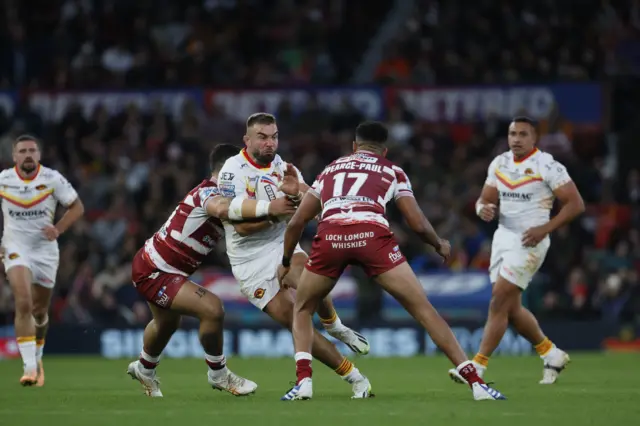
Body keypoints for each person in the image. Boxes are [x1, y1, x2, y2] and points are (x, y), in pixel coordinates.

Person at [277, 121, 506, 401]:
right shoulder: (392, 170)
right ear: (384, 150)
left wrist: (286, 260)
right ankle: (476, 384)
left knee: (302, 309)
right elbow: (416, 223)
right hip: (373, 236)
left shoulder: (331, 168)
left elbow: (298, 221)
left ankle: (304, 383)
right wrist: (438, 243)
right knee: (424, 309)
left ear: (354, 146)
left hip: (332, 236)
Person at [217, 113, 373, 399]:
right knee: (295, 322)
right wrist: (276, 212)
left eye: (274, 136)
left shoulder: (284, 167)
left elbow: (313, 204)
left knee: (309, 282)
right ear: (247, 140)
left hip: (282, 245)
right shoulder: (232, 170)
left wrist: (300, 197)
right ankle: (356, 377)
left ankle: (334, 325)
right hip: (249, 262)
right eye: (262, 137)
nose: (270, 143)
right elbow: (240, 228)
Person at [127, 143, 299, 397]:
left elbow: (245, 225)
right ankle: (219, 374)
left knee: (165, 324)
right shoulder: (208, 193)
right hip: (156, 269)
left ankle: (144, 367)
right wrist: (273, 211)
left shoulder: (234, 196)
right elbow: (221, 209)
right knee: (212, 308)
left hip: (159, 265)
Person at [448, 117, 585, 385]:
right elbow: (484, 199)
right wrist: (481, 209)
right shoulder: (500, 163)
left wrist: (545, 228)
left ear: (535, 138)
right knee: (510, 308)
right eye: (513, 133)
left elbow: (576, 204)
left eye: (523, 134)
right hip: (503, 239)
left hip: (530, 241)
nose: (517, 139)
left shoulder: (547, 165)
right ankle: (551, 353)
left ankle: (478, 366)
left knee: (499, 299)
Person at [0, 134, 85, 386]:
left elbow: (77, 207)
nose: (28, 155)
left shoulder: (52, 178)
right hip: (15, 247)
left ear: (39, 154)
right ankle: (28, 368)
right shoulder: (4, 179)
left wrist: (57, 229)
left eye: (32, 150)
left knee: (39, 311)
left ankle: (38, 358)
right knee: (23, 301)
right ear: (15, 156)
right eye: (23, 151)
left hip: (45, 251)